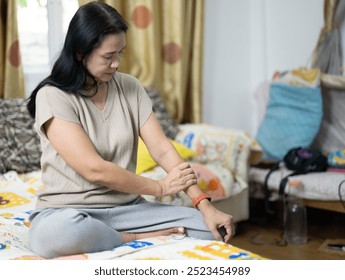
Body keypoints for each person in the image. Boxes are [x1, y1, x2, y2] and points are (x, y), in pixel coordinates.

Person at [26, 1, 234, 258]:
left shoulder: (130, 87)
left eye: (120, 53)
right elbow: (94, 169)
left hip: (128, 209)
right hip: (65, 212)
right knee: (58, 235)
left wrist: (203, 204)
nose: (116, 64)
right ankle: (132, 238)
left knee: (211, 229)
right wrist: (158, 188)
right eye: (107, 56)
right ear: (80, 53)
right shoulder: (53, 95)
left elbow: (162, 149)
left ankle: (116, 234)